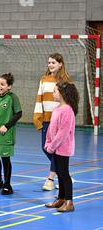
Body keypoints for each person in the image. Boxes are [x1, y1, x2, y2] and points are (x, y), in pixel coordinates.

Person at [33, 53, 72, 191]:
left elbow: (69, 101)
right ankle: (64, 173)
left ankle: (50, 179)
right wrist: (38, 118)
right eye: (49, 62)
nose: (50, 65)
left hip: (59, 121)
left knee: (56, 149)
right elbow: (39, 100)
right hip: (46, 120)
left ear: (60, 64)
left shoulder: (66, 80)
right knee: (46, 148)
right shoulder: (43, 80)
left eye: (53, 62)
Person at [44, 82, 79, 212]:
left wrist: (52, 146)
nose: (53, 93)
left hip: (63, 148)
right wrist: (48, 142)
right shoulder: (57, 109)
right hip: (55, 148)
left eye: (55, 91)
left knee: (64, 174)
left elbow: (63, 133)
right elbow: (51, 129)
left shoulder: (68, 111)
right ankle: (61, 199)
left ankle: (69, 202)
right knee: (59, 172)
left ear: (62, 93)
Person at [0, 73, 22, 195]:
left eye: (2, 84)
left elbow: (18, 114)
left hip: (5, 135)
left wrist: (7, 126)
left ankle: (7, 184)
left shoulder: (12, 98)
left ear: (9, 86)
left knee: (5, 160)